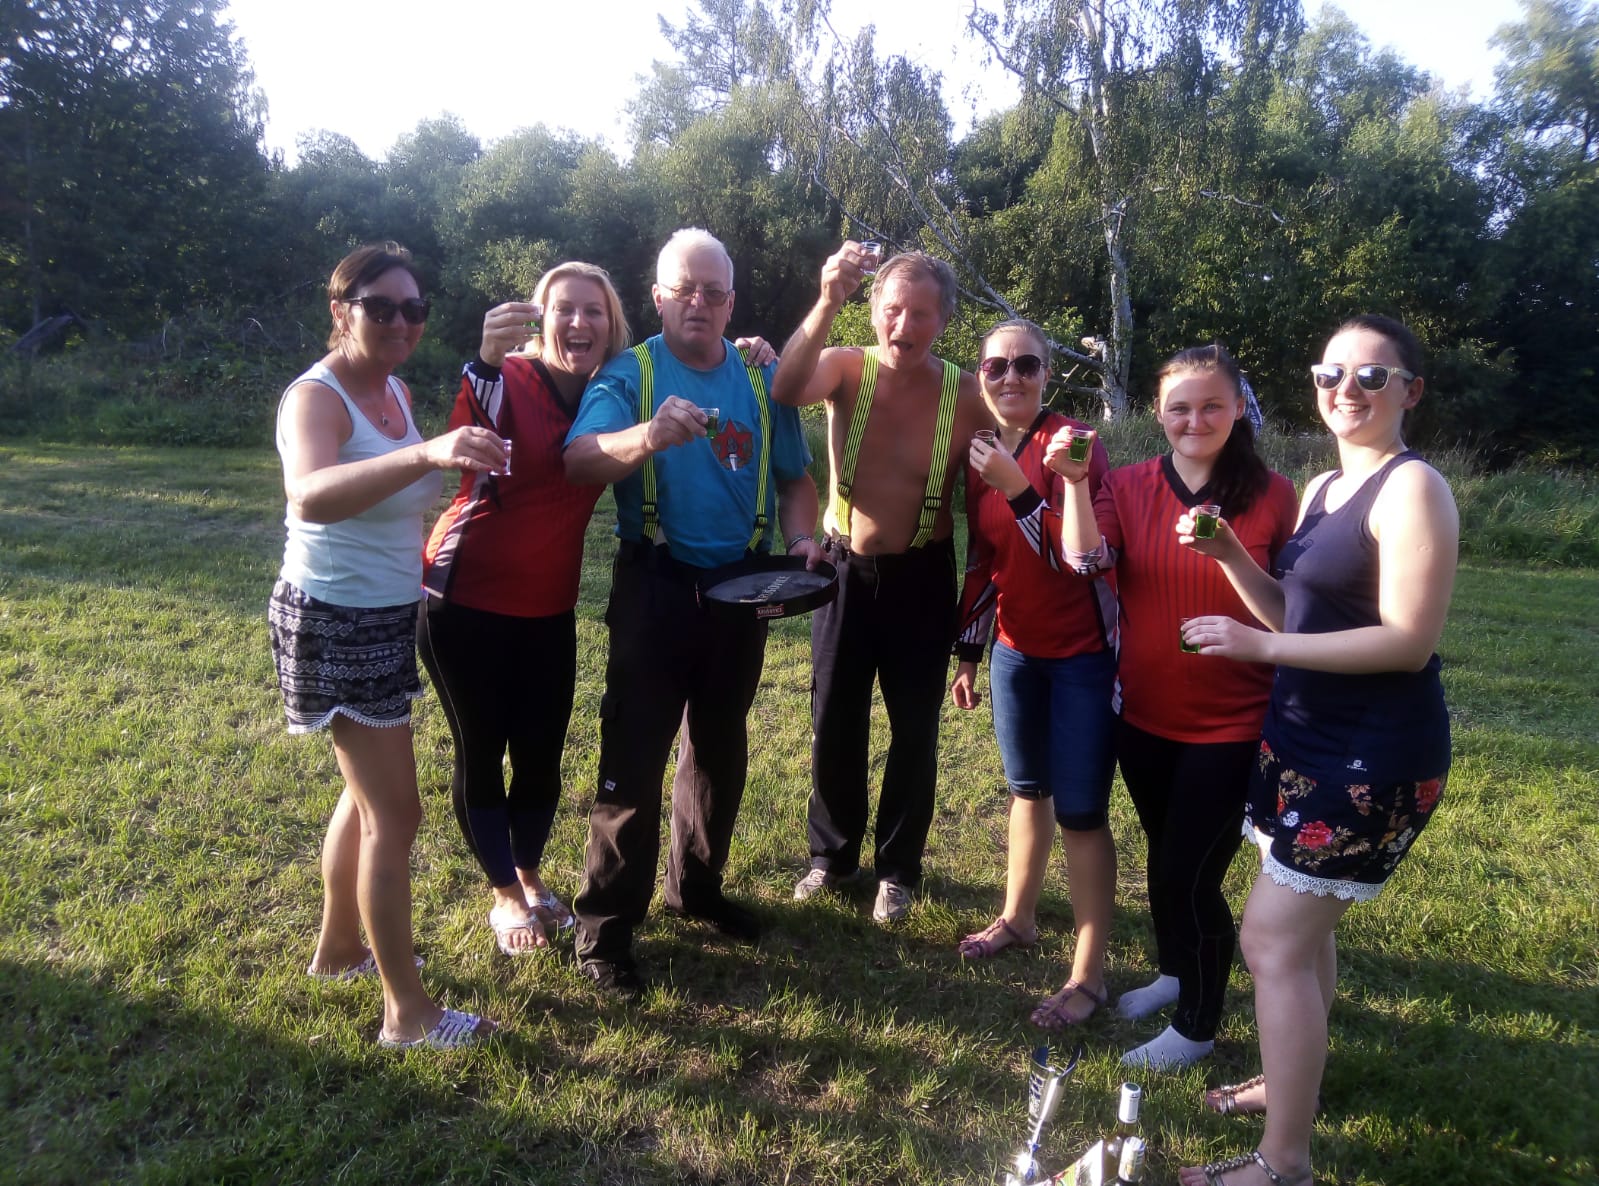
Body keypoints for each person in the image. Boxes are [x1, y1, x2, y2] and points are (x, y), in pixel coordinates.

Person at [1175, 315, 1458, 1186]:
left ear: (1409, 390)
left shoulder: (1413, 490)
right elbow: (1291, 615)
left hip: (1371, 758)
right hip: (1302, 741)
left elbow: (1406, 641)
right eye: (1329, 373)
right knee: (1304, 939)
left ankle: (1283, 1164)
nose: (1345, 389)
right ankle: (1287, 1082)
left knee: (1271, 944)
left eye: (1371, 376)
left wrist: (1258, 649)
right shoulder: (1325, 487)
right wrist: (1229, 555)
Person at [563, 227, 820, 996]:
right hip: (655, 584)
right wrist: (646, 436)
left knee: (718, 750)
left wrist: (801, 539)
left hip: (741, 586)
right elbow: (578, 458)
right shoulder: (630, 372)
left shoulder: (759, 377)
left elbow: (794, 479)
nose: (698, 303)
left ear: (730, 303)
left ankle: (696, 891)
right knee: (633, 760)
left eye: (713, 292)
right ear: (658, 297)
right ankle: (605, 933)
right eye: (684, 290)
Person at [269, 241, 503, 1049]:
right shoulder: (317, 396)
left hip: (385, 612)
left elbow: (395, 492)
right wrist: (428, 451)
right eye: (381, 307)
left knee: (363, 800)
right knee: (394, 815)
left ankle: (339, 951)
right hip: (335, 619)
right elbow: (309, 494)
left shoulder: (394, 389)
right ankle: (407, 1015)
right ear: (342, 310)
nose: (401, 321)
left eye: (414, 308)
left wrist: (453, 461)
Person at [1047, 343, 1298, 1060]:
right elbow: (1084, 560)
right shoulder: (1127, 485)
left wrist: (1230, 555)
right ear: (1157, 413)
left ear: (1239, 408)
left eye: (1212, 405)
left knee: (1188, 877)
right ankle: (1173, 971)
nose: (1195, 420)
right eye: (1179, 407)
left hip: (1236, 722)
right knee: (1165, 854)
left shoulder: (1274, 494)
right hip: (1145, 716)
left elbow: (1292, 615)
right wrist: (1073, 485)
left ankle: (1196, 1026)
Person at [416, 263, 627, 957]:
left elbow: (688, 374)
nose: (579, 322)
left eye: (593, 310)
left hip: (548, 606)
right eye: (564, 309)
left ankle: (529, 875)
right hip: (464, 598)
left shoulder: (614, 392)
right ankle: (505, 895)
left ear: (611, 324)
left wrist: (749, 353)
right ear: (541, 320)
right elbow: (468, 426)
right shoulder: (506, 376)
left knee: (540, 756)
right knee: (482, 750)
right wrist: (482, 359)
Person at [773, 244, 986, 923]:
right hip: (843, 570)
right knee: (834, 718)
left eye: (921, 314)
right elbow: (784, 388)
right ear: (873, 312)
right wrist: (826, 298)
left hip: (923, 574)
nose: (904, 325)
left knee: (914, 727)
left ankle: (898, 869)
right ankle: (831, 857)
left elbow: (998, 493)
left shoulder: (968, 394)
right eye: (893, 310)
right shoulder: (845, 366)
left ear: (943, 321)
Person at [949, 320, 1119, 1030]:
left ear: (1047, 374)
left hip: (1082, 655)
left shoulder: (1072, 444)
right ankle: (1017, 918)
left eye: (1026, 365)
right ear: (980, 375)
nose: (1010, 377)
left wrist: (1020, 488)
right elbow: (985, 559)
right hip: (1015, 651)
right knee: (1027, 790)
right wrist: (968, 650)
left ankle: (1088, 974)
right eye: (996, 366)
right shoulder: (981, 450)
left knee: (1080, 810)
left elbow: (1079, 560)